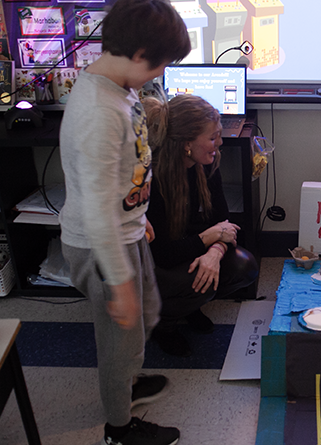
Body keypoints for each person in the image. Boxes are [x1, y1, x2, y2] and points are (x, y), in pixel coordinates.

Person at [58, 1, 191, 444]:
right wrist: (117, 283)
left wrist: (139, 213)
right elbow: (97, 209)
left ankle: (129, 378)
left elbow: (126, 170)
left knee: (146, 311)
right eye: (160, 65)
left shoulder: (122, 87)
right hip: (101, 243)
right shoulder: (99, 110)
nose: (158, 75)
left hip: (127, 227)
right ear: (137, 54)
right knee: (119, 339)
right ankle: (118, 428)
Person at [144, 94, 259, 357]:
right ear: (186, 144)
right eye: (212, 138)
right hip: (156, 265)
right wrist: (210, 237)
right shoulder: (153, 178)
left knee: (243, 266)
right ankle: (165, 324)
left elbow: (223, 222)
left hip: (191, 248)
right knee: (197, 279)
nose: (219, 143)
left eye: (218, 135)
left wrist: (214, 252)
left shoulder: (206, 164)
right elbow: (163, 253)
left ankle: (188, 305)